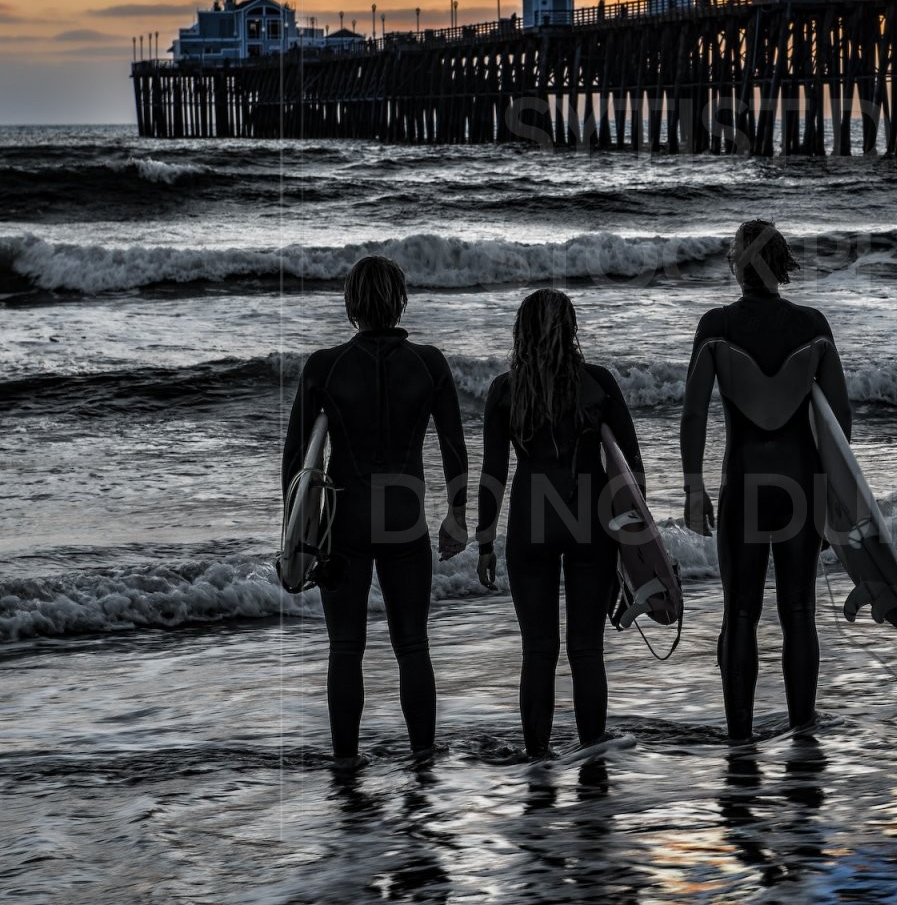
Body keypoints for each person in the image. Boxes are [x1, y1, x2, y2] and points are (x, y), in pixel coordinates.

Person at [282, 255, 469, 770]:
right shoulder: (429, 364)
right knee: (413, 646)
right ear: (401, 299)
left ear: (350, 304)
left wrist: (294, 539)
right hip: (404, 515)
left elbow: (296, 461)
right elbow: (454, 448)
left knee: (346, 649)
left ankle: (345, 763)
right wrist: (458, 513)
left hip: (348, 517)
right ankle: (424, 759)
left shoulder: (326, 367)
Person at [681, 220, 851, 742]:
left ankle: (739, 739)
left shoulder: (716, 326)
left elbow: (694, 414)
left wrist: (693, 486)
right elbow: (840, 425)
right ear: (780, 262)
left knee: (740, 613)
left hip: (745, 483)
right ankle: (802, 729)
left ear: (738, 262)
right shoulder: (813, 326)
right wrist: (834, 499)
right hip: (801, 486)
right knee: (799, 610)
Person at [475, 289, 645, 760]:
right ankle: (591, 749)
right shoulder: (599, 383)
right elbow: (631, 469)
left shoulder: (505, 390)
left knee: (538, 650)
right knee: (586, 648)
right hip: (589, 520)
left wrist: (485, 539)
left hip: (531, 520)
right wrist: (638, 545)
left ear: (520, 332)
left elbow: (493, 474)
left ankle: (537, 758)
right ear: (571, 328)